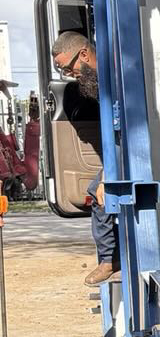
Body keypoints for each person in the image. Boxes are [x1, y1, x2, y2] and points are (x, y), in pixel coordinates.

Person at [50, 29, 117, 284]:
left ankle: (110, 260)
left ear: (84, 54)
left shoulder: (114, 78)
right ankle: (112, 258)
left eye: (68, 68)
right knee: (97, 189)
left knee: (99, 192)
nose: (70, 75)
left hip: (140, 149)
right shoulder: (98, 82)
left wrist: (109, 175)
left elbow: (125, 129)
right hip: (123, 148)